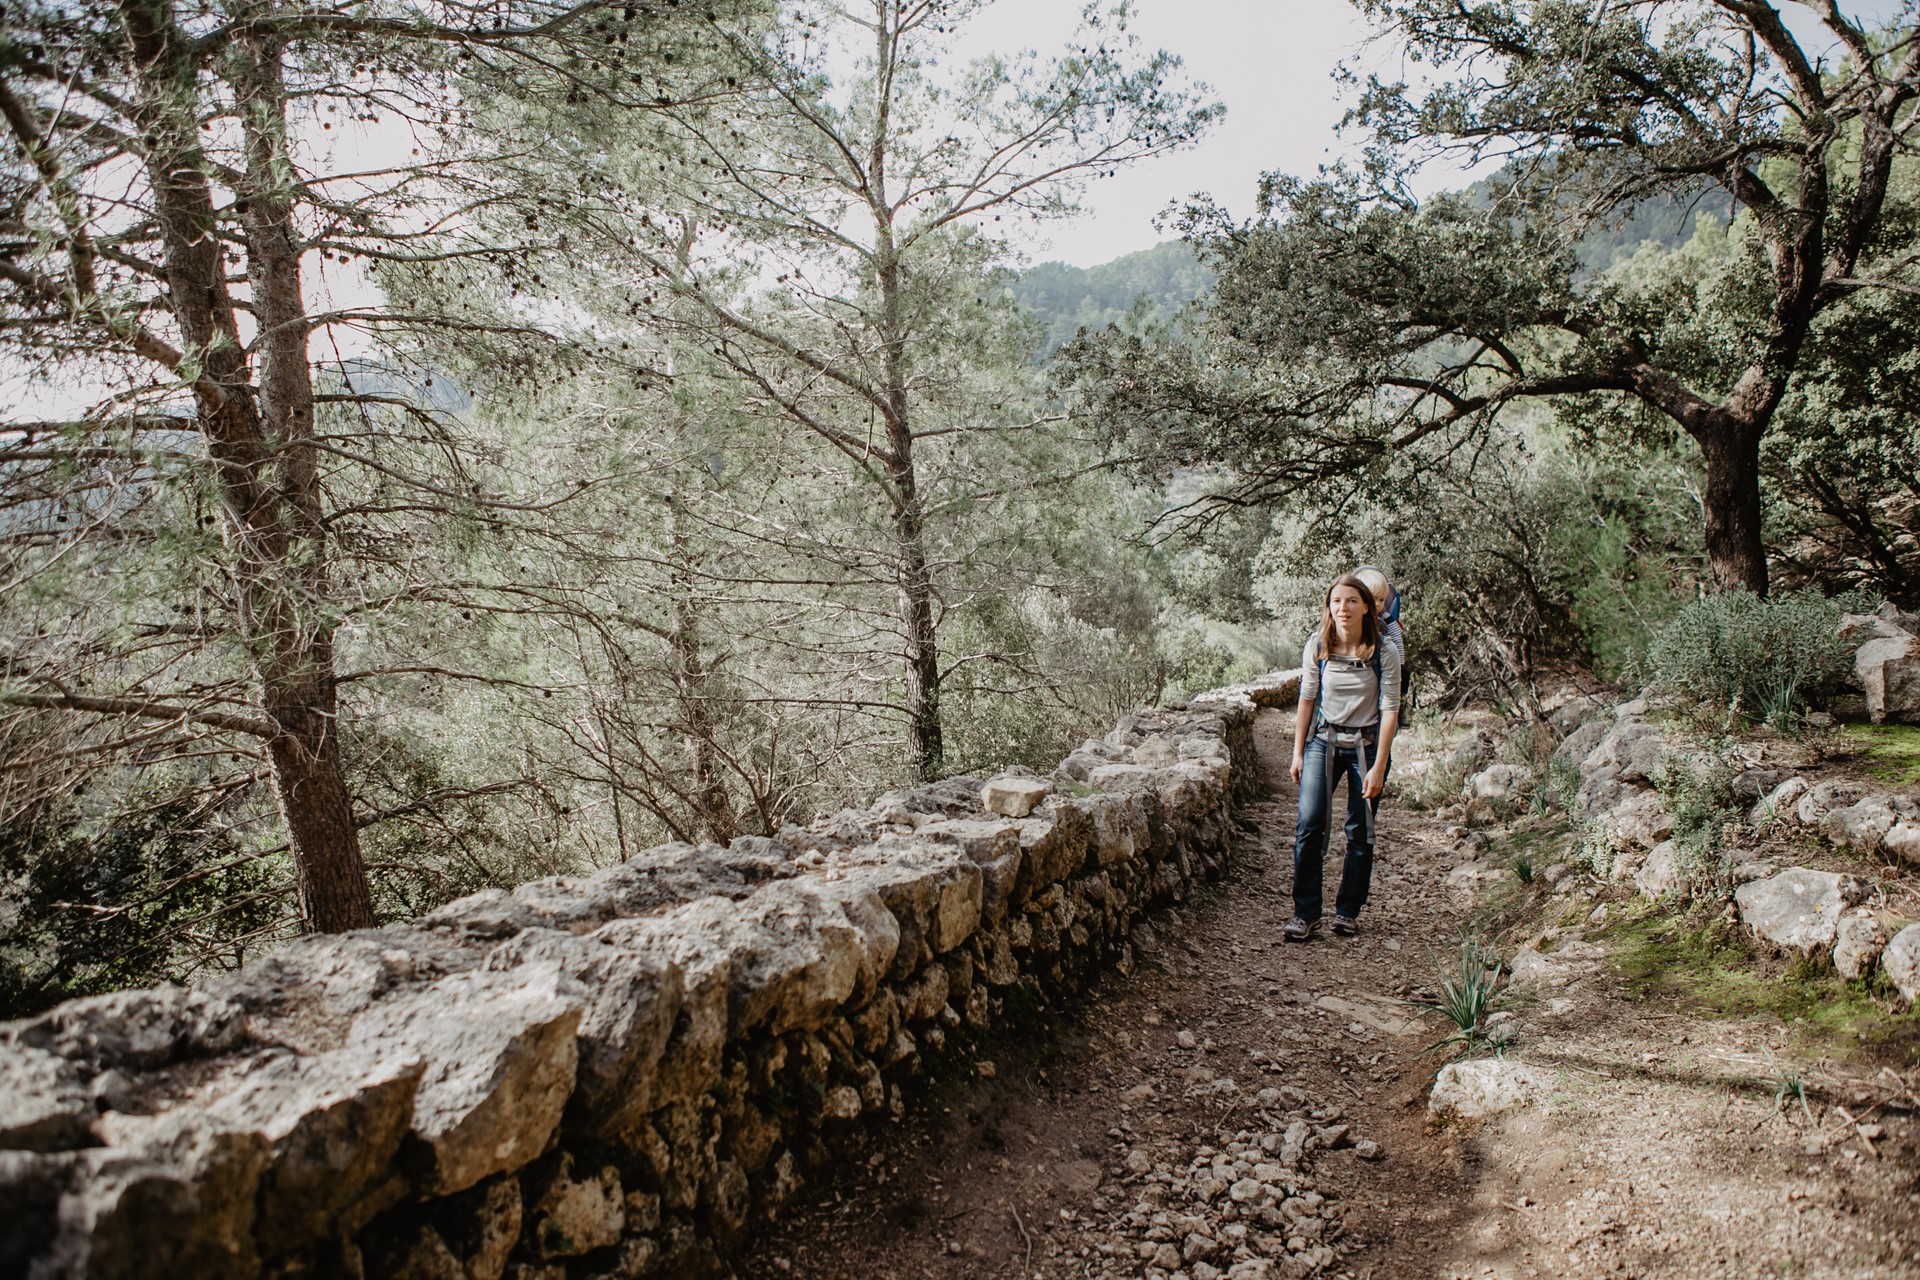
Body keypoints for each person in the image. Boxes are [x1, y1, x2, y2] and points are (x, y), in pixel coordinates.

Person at [1285, 574, 1402, 941]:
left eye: (1351, 601)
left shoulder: (1385, 651)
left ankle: (1347, 911)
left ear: (1366, 606)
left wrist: (1380, 765)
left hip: (1366, 746)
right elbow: (1306, 699)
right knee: (1309, 824)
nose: (1343, 608)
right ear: (1328, 607)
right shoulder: (1318, 645)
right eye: (1336, 601)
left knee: (1359, 832)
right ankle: (1305, 914)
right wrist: (1298, 752)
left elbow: (1390, 709)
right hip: (1323, 740)